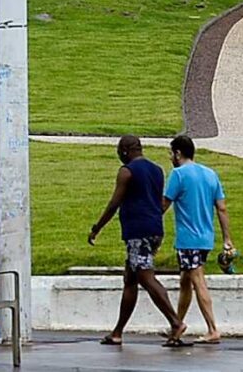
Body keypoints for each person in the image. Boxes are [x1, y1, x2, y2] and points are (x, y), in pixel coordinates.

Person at [87, 135, 175, 344]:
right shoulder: (157, 170)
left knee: (145, 277)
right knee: (130, 279)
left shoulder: (127, 172)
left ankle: (176, 322)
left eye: (119, 150)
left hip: (138, 232)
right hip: (155, 229)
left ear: (125, 150)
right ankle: (117, 332)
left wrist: (97, 228)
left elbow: (114, 203)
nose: (118, 154)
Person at [162, 132, 233, 344]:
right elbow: (221, 208)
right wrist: (227, 239)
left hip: (188, 239)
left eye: (171, 153)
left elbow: (164, 205)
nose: (170, 158)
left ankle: (212, 329)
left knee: (197, 280)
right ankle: (176, 326)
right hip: (205, 238)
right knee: (185, 281)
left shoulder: (179, 175)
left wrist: (148, 221)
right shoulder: (211, 174)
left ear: (178, 153)